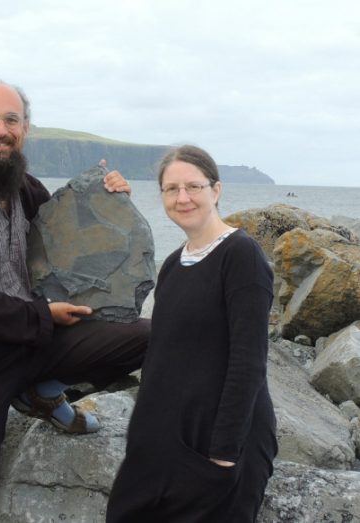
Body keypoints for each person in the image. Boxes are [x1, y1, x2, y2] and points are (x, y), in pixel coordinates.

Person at [0, 80, 150, 523]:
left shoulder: (25, 187)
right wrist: (44, 315)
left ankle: (42, 392)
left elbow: (70, 239)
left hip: (38, 339)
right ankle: (30, 391)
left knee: (146, 337)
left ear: (25, 129)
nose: (1, 130)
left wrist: (111, 198)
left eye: (11, 120)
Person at [106, 145, 277, 522]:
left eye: (193, 187)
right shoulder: (172, 265)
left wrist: (224, 453)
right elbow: (163, 357)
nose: (182, 198)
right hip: (168, 438)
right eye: (172, 189)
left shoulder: (242, 256)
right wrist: (143, 440)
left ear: (215, 190)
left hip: (222, 442)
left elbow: (248, 362)